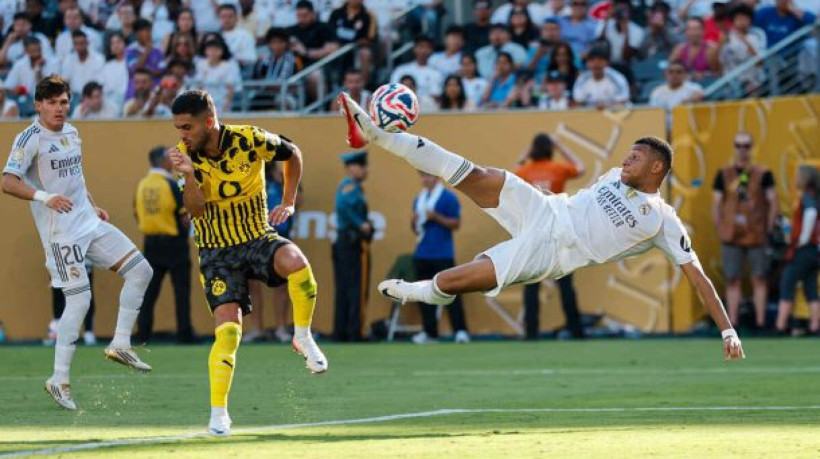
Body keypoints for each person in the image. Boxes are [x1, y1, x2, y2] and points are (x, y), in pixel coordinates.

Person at [338, 92, 745, 361]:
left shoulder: (663, 220)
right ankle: (375, 135)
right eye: (627, 154)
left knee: (462, 277)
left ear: (657, 168)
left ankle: (426, 294)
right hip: (546, 209)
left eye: (635, 158)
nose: (625, 161)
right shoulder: (612, 177)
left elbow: (699, 279)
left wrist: (728, 332)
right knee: (475, 173)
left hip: (556, 251)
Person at [168, 89, 327, 436]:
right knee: (228, 333)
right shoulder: (183, 156)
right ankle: (219, 414)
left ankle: (302, 336)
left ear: (209, 121)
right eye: (178, 128)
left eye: (187, 127)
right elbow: (195, 211)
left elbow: (293, 153)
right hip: (216, 252)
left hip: (256, 236)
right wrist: (190, 176)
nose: (182, 135)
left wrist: (289, 201)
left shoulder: (249, 139)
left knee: (297, 261)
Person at [1, 75, 154, 411]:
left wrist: (92, 203)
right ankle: (59, 379)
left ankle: (121, 343)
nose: (60, 108)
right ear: (39, 105)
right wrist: (45, 197)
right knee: (79, 301)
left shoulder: (72, 132)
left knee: (141, 271)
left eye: (64, 102)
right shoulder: (29, 138)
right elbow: (8, 181)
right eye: (53, 103)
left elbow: (76, 178)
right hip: (61, 233)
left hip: (88, 221)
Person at [514, 133, 585, 339]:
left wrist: (526, 153)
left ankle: (531, 332)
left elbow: (513, 172)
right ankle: (576, 329)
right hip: (558, 233)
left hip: (534, 234)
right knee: (565, 286)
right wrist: (561, 147)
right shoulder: (558, 169)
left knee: (531, 285)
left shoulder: (526, 171)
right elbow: (581, 167)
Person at [711, 132, 778, 329]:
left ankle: (760, 323)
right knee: (732, 279)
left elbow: (773, 202)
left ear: (751, 147)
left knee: (759, 278)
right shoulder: (723, 174)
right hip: (731, 234)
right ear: (734, 147)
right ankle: (732, 323)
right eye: (739, 145)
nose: (742, 149)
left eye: (746, 145)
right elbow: (715, 203)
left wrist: (768, 227)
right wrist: (720, 227)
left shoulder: (764, 173)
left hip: (757, 232)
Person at [135, 146, 196, 344]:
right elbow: (184, 215)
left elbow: (137, 213)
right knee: (181, 291)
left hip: (151, 243)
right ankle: (184, 334)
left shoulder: (142, 184)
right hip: (174, 243)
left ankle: (143, 334)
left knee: (149, 292)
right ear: (163, 162)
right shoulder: (170, 184)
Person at [411, 172, 470, 344]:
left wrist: (436, 217)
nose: (424, 180)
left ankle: (460, 331)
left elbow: (456, 224)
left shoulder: (448, 197)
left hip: (443, 253)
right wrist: (413, 221)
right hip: (422, 252)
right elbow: (416, 230)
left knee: (451, 294)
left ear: (436, 177)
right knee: (424, 295)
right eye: (422, 176)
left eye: (428, 176)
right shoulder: (419, 199)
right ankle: (430, 332)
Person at [244, 162, 297, 343]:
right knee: (253, 286)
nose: (282, 173)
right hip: (257, 240)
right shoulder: (258, 185)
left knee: (282, 285)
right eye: (279, 170)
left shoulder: (289, 188)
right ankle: (256, 327)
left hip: (280, 240)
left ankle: (281, 327)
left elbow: (295, 207)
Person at [776, 165, 820, 335]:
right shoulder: (816, 197)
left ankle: (780, 325)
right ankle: (815, 326)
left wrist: (803, 238)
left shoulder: (808, 198)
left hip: (805, 249)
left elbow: (810, 214)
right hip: (814, 251)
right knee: (810, 287)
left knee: (787, 281)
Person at [333, 151, 371, 342]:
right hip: (353, 242)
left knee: (344, 287)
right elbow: (343, 207)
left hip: (344, 241)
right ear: (352, 168)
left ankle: (342, 330)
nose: (365, 170)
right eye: (362, 166)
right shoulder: (351, 186)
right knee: (357, 286)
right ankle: (356, 331)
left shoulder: (347, 186)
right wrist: (360, 223)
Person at [250, 28, 303, 110]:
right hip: (265, 93)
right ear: (269, 44)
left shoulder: (294, 60)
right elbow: (255, 81)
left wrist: (267, 85)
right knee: (252, 100)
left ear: (286, 43)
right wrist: (268, 85)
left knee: (284, 101)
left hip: (287, 94)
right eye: (274, 42)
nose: (277, 46)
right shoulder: (262, 60)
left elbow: (290, 84)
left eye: (281, 42)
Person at [328, 0, 377, 85]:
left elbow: (370, 39)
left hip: (357, 49)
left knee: (365, 53)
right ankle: (331, 82)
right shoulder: (336, 13)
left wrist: (355, 43)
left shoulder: (368, 15)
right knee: (331, 48)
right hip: (339, 49)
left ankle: (362, 86)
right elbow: (328, 32)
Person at [719, 5, 766, 92]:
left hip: (755, 79)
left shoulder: (757, 34)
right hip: (735, 81)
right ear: (733, 22)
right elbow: (723, 61)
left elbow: (760, 62)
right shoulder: (728, 37)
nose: (742, 22)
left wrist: (745, 42)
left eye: (745, 19)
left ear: (750, 21)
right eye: (739, 19)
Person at [193, 38, 241, 114]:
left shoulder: (228, 66)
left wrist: (227, 103)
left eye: (216, 50)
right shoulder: (201, 64)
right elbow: (199, 86)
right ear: (205, 51)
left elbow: (230, 88)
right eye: (210, 49)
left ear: (221, 51)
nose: (213, 52)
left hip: (222, 102)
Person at [390, 35, 444, 102]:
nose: (424, 50)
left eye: (428, 47)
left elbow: (436, 96)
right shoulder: (401, 70)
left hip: (427, 108)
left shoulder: (436, 73)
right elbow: (392, 93)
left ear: (432, 50)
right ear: (414, 48)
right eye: (421, 47)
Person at [125, 18, 165, 100]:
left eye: (149, 31)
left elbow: (161, 72)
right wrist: (147, 51)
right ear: (136, 33)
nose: (148, 34)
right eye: (145, 31)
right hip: (136, 87)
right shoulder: (130, 50)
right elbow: (135, 69)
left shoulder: (158, 50)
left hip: (155, 86)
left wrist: (145, 69)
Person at [61, 30, 106, 100]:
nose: (79, 47)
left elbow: (100, 83)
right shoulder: (68, 60)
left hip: (93, 96)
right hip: (74, 96)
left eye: (82, 43)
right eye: (76, 44)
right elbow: (66, 82)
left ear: (87, 43)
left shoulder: (99, 59)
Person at [101, 32, 129, 112]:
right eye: (113, 43)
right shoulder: (107, 66)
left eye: (119, 42)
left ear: (125, 44)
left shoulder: (130, 63)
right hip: (111, 101)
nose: (116, 45)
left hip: (127, 99)